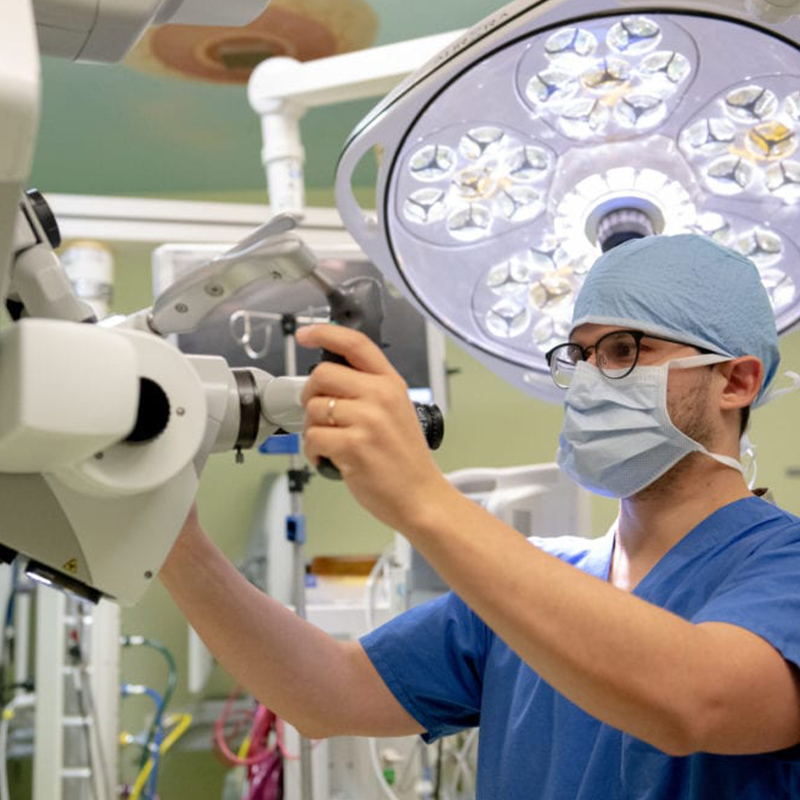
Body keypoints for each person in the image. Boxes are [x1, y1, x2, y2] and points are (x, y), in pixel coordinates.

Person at [160, 233, 800, 799]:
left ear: (736, 382)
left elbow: (698, 701)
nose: (589, 381)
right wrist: (168, 538)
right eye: (578, 356)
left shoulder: (781, 568)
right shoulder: (537, 581)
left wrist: (420, 497)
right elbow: (325, 691)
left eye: (625, 350)